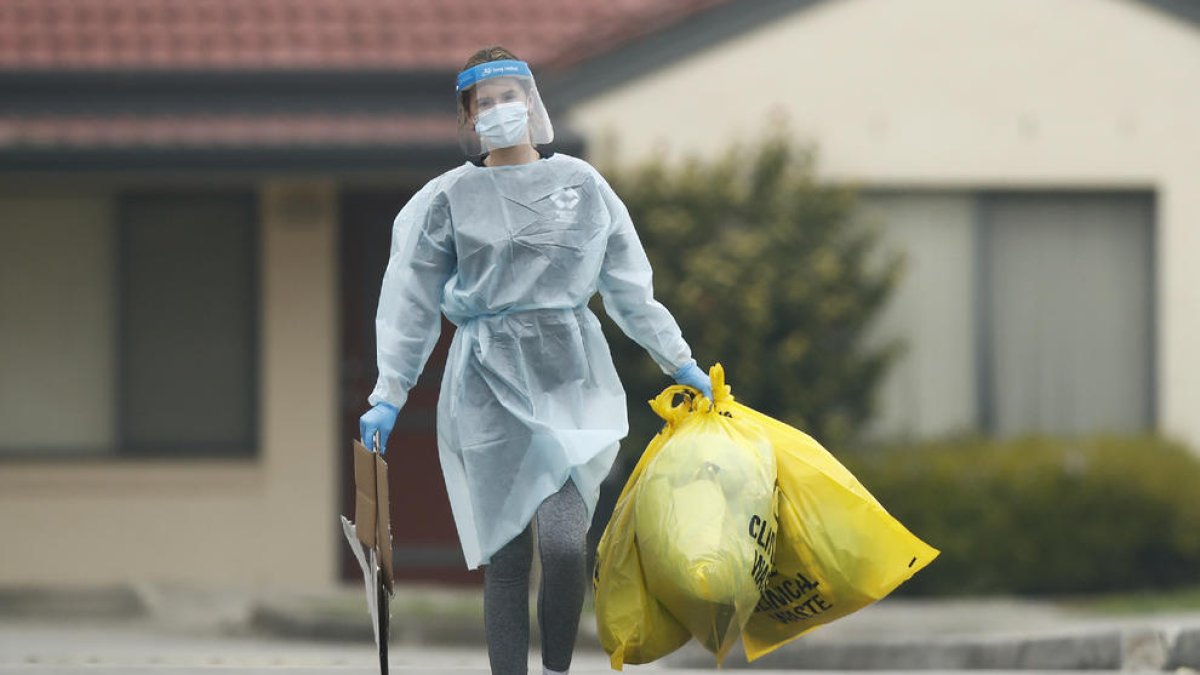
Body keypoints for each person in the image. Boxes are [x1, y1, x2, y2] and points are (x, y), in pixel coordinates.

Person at [359, 46, 712, 675]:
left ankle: (555, 668)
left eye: (509, 96)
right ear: (469, 116)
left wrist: (679, 362)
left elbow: (629, 288)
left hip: (570, 378)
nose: (499, 109)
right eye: (485, 102)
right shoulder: (448, 199)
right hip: (486, 387)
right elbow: (410, 300)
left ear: (531, 101)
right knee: (508, 556)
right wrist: (390, 394)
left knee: (565, 544)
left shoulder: (582, 186)